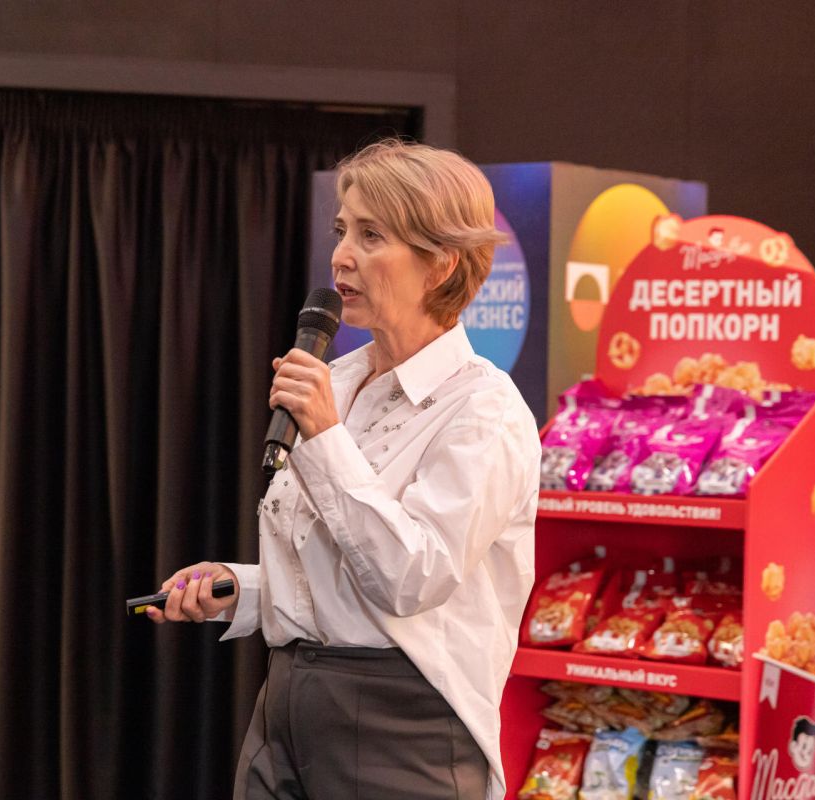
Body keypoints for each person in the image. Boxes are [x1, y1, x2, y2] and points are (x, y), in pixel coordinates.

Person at [146, 138, 540, 800]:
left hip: (402, 726)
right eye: (342, 231)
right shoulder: (341, 380)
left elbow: (411, 579)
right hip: (288, 704)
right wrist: (240, 588)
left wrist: (326, 438)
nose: (341, 256)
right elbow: (338, 573)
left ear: (440, 264)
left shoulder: (485, 410)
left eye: (372, 235)